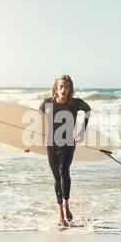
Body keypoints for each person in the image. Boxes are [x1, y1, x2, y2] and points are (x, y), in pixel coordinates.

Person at [39, 75, 91, 226]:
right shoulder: (46, 103)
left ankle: (66, 204)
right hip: (51, 143)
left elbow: (88, 110)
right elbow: (37, 122)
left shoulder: (75, 104)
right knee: (56, 178)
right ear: (55, 88)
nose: (64, 89)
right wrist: (29, 144)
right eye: (61, 86)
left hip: (68, 142)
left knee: (64, 170)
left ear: (70, 89)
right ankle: (60, 212)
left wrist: (82, 130)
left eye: (67, 87)